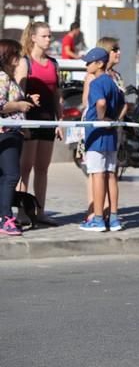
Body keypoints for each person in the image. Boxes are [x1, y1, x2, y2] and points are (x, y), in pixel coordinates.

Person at [15, 21, 61, 227]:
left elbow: (57, 95)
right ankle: (22, 212)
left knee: (43, 168)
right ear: (33, 38)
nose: (48, 39)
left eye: (50, 36)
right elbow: (17, 92)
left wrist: (60, 121)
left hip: (48, 119)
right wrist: (27, 98)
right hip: (29, 119)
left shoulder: (54, 63)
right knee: (25, 168)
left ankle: (40, 211)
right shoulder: (25, 62)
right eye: (44, 36)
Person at [81, 37, 127, 223]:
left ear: (98, 63)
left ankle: (98, 216)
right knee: (110, 175)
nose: (86, 67)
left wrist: (101, 118)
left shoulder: (98, 82)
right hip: (110, 133)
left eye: (89, 63)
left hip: (97, 132)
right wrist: (114, 119)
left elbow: (97, 102)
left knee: (97, 174)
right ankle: (113, 217)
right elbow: (124, 105)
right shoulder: (112, 82)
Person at [0, 39, 38, 236]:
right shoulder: (3, 77)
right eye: (16, 54)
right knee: (11, 175)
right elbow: (2, 105)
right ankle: (5, 218)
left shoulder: (8, 77)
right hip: (6, 133)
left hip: (13, 131)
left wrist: (26, 101)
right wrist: (19, 106)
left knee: (6, 175)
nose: (19, 58)